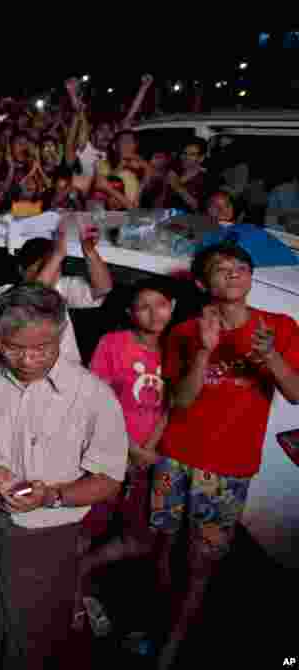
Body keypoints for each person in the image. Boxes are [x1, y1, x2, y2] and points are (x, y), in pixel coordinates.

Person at [0, 282, 129, 669]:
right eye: (13, 347)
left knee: (31, 636)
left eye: (42, 349)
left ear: (61, 336)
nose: (27, 360)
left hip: (48, 537)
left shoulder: (92, 395)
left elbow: (109, 480)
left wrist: (51, 496)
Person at [151, 242, 299, 669]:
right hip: (175, 457)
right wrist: (203, 349)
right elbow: (179, 402)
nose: (233, 273)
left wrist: (267, 354)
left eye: (240, 267)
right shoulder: (183, 333)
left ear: (251, 278)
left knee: (202, 560)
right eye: (221, 268)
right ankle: (153, 618)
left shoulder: (280, 326)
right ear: (202, 282)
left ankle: (174, 643)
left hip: (229, 467)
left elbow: (295, 393)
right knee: (162, 541)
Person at [76, 278, 176, 638]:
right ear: (131, 313)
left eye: (161, 304)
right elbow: (96, 399)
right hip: (107, 450)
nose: (154, 313)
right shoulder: (113, 344)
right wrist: (131, 448)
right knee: (88, 526)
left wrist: (148, 449)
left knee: (142, 537)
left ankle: (84, 570)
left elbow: (172, 406)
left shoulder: (179, 345)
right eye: (144, 306)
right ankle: (76, 595)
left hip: (153, 457)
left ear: (173, 307)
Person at [0, 218, 113, 364]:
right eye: (42, 267)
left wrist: (89, 251)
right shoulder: (3, 292)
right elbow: (29, 300)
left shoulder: (60, 287)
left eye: (55, 268)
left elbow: (103, 288)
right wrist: (57, 256)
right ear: (21, 269)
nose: (51, 274)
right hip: (29, 368)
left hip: (69, 370)